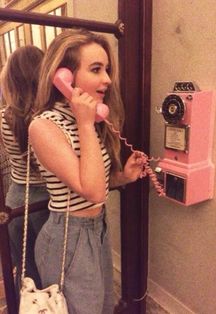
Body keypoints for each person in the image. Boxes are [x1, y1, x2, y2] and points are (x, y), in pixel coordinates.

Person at [29, 28, 144, 314]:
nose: (107, 79)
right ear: (64, 77)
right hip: (69, 236)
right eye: (96, 69)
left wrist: (122, 177)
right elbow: (90, 189)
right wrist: (84, 123)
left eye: (107, 69)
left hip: (97, 229)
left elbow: (94, 182)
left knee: (104, 307)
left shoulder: (89, 120)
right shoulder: (45, 126)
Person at [0, 46, 49, 304]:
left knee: (25, 267)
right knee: (50, 267)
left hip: (16, 196)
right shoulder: (50, 119)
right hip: (48, 199)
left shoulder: (4, 118)